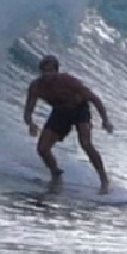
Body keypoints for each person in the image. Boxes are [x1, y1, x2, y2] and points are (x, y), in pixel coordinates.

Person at [23, 54, 113, 191]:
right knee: (42, 149)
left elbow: (94, 99)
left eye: (50, 71)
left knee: (86, 143)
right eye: (44, 71)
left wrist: (105, 120)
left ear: (56, 71)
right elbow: (28, 110)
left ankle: (104, 180)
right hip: (60, 114)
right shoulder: (36, 87)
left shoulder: (68, 81)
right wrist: (31, 124)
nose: (47, 74)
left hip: (80, 110)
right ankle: (56, 174)